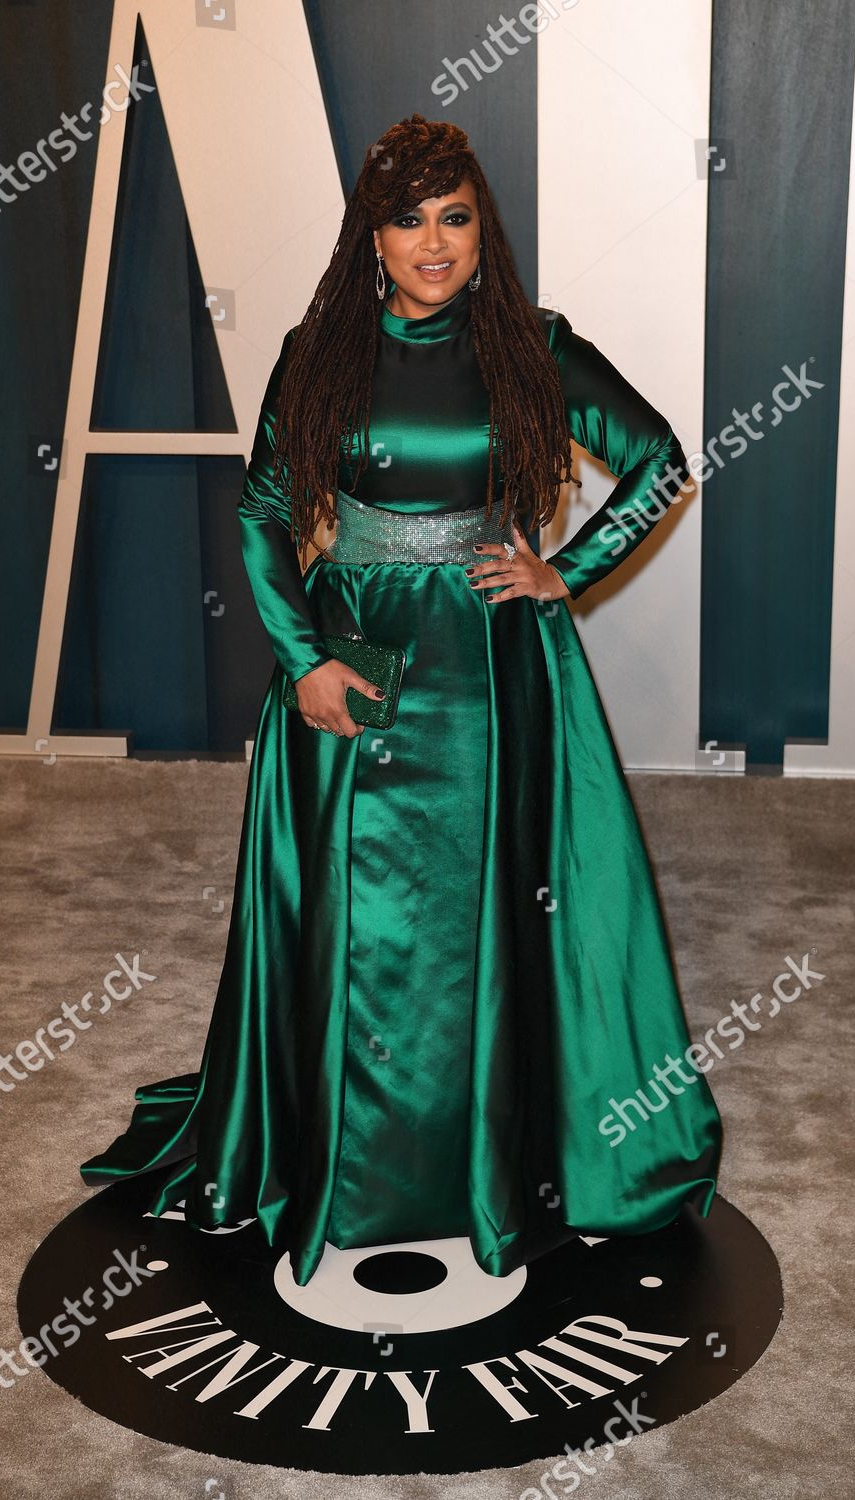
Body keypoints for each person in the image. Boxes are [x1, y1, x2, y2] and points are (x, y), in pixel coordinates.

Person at [80, 113, 722, 1287]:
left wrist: (559, 573)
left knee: (493, 916)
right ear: (370, 235)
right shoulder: (317, 350)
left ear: (483, 229)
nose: (434, 242)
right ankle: (348, 1158)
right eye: (409, 218)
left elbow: (659, 458)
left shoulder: (535, 344)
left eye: (455, 217)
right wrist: (304, 658)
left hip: (491, 667)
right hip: (354, 656)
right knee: (353, 927)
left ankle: (497, 1158)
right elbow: (266, 509)